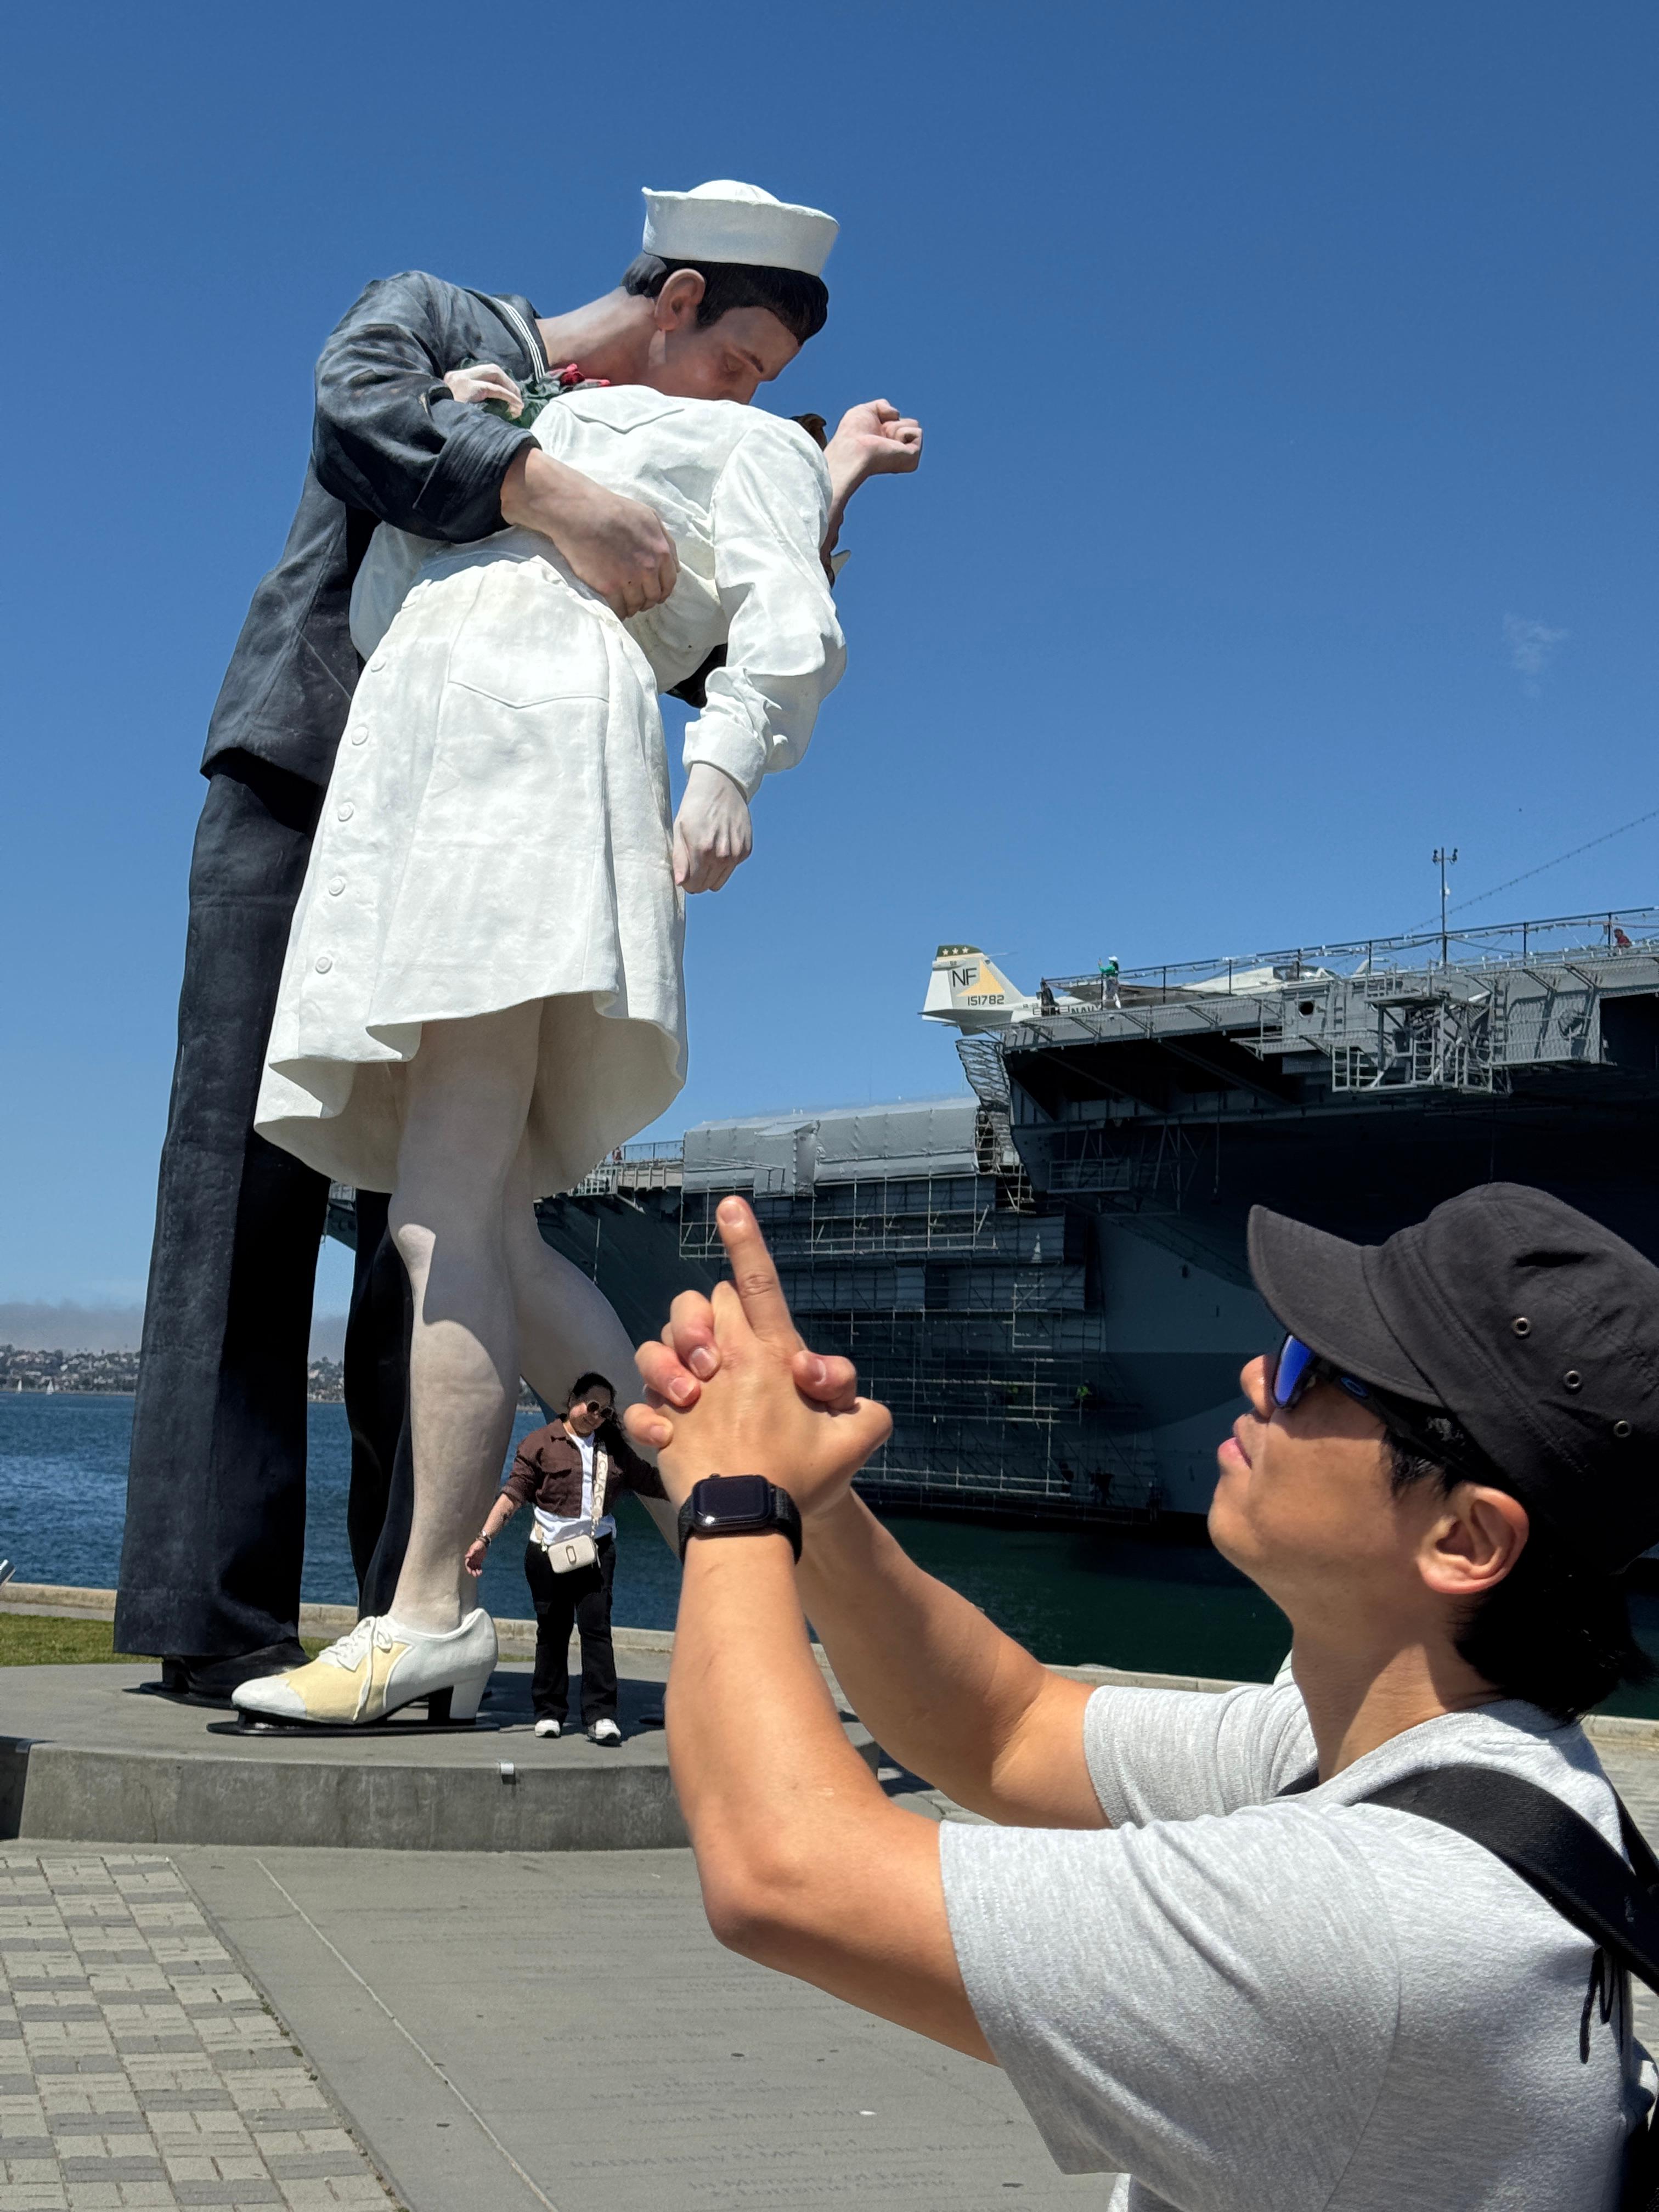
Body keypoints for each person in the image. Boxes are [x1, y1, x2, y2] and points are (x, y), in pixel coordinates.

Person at [117, 181, 920, 1701]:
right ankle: (218, 1615)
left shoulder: (678, 436)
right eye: (740, 362)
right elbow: (362, 421)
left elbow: (715, 612)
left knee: (437, 1220)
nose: (748, 398)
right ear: (676, 300)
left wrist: (810, 499)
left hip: (508, 785)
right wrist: (543, 477)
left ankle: (407, 1602)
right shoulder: (438, 323)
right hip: (317, 770)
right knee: (249, 1192)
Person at [627, 1183, 1659, 2209]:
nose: (1259, 1375)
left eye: (1316, 1371)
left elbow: (785, 1871)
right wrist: (814, 1505)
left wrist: (734, 1497)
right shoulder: (1435, 1764)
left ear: (1464, 1540)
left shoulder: (1374, 1919)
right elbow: (1004, 1729)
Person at [466, 1372, 662, 1743]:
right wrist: (484, 1539)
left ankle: (601, 1715)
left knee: (597, 1630)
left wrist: (696, 1484)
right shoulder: (540, 1443)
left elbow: (650, 1480)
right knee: (552, 1631)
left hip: (597, 1551)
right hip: (547, 1552)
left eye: (605, 1412)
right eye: (592, 1406)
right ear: (573, 1400)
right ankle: (549, 1712)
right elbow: (513, 1495)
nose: (597, 1416)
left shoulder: (613, 1450)